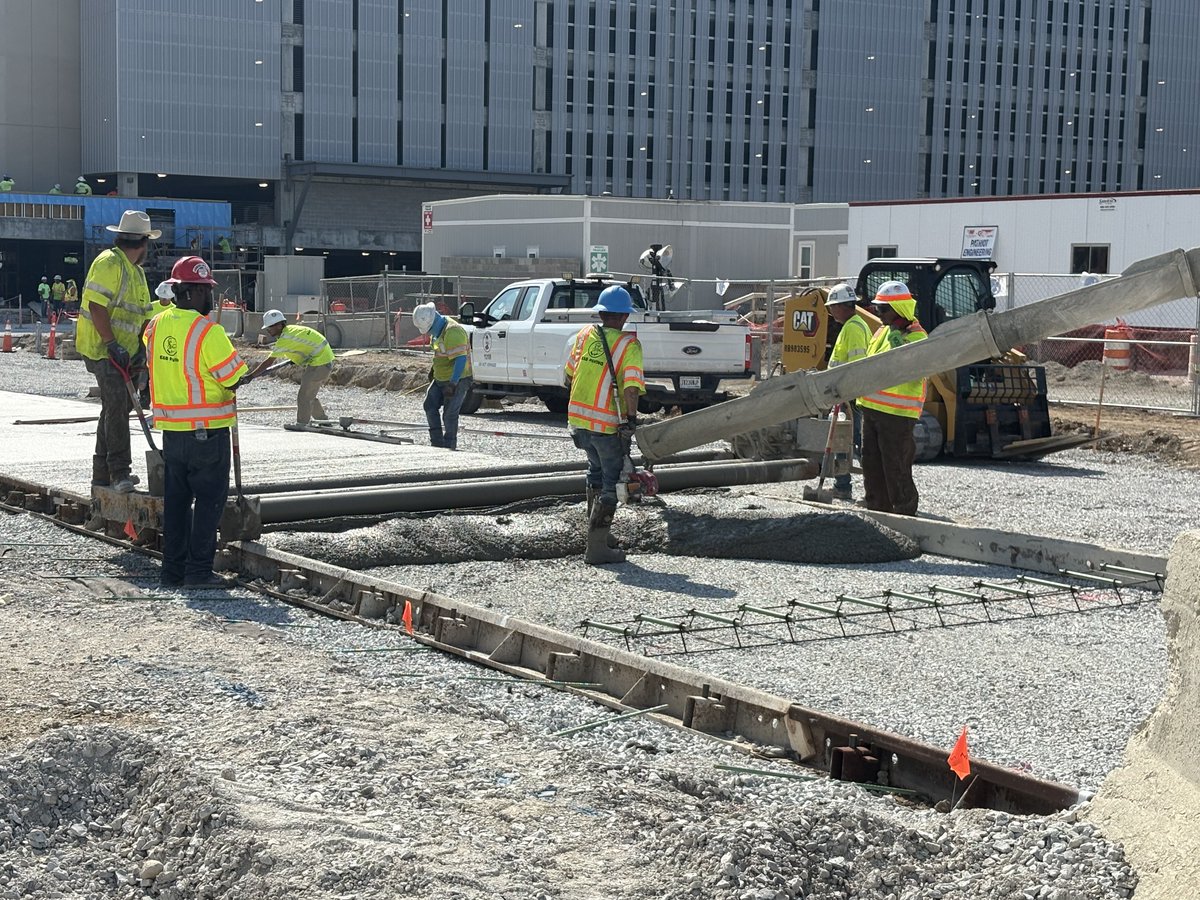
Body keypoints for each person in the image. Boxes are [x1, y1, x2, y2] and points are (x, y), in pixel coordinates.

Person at [144, 255, 248, 588]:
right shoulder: (208, 331)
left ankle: (172, 572)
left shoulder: (156, 325)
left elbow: (164, 364)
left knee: (176, 503)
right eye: (206, 291)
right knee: (208, 503)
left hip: (172, 433)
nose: (211, 298)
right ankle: (199, 572)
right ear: (189, 292)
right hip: (207, 433)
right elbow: (231, 378)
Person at [563, 285, 646, 565]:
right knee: (612, 481)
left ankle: (597, 533)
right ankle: (597, 548)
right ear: (624, 317)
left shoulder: (585, 335)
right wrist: (631, 420)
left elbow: (568, 375)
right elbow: (631, 388)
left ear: (601, 312)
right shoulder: (628, 345)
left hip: (578, 422)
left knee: (594, 472)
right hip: (606, 425)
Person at [77, 210, 158, 492]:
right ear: (144, 242)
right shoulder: (109, 263)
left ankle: (102, 472)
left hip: (127, 352)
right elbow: (96, 306)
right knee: (117, 410)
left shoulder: (136, 272)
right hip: (102, 348)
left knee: (116, 408)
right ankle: (120, 472)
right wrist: (111, 343)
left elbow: (144, 316)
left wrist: (143, 352)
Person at [857, 280, 928, 517]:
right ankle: (877, 513)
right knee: (872, 466)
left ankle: (905, 515)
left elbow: (913, 369)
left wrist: (901, 342)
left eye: (883, 309)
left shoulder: (918, 338)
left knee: (895, 467)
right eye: (878, 308)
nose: (879, 313)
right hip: (871, 410)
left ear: (900, 309)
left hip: (897, 416)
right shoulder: (881, 332)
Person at [825, 283, 872, 501]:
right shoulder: (854, 325)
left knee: (854, 444)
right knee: (843, 442)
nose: (831, 311)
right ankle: (843, 486)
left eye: (833, 306)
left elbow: (856, 366)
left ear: (844, 306)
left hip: (849, 398)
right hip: (845, 396)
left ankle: (870, 489)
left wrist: (846, 397)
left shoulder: (853, 328)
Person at [246, 309, 335, 425]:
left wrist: (250, 376)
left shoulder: (285, 339)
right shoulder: (291, 331)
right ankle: (323, 421)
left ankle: (302, 424)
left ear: (279, 325)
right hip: (322, 360)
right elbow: (302, 344)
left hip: (320, 362)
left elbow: (268, 362)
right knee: (309, 394)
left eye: (270, 327)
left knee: (304, 396)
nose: (268, 330)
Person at [413, 301, 473, 449]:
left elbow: (460, 359)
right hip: (441, 378)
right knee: (429, 405)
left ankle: (449, 445)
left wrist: (453, 383)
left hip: (458, 379)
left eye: (428, 329)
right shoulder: (438, 331)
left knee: (449, 414)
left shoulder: (452, 331)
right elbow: (440, 353)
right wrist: (434, 370)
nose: (428, 332)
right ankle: (437, 443)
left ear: (433, 321)